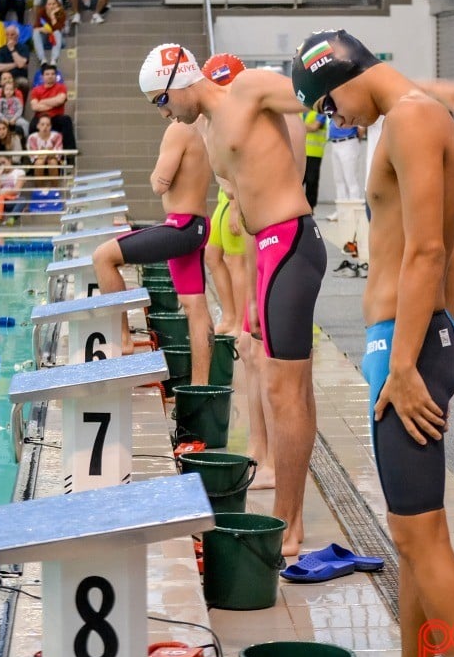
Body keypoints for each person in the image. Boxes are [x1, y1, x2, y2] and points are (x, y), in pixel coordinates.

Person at [292, 29, 454, 657]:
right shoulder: (420, 113)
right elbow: (449, 251)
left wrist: (406, 361)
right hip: (423, 338)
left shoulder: (406, 119)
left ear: (344, 75)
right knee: (414, 534)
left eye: (326, 104)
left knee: (424, 543)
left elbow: (429, 251)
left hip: (404, 347)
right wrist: (438, 340)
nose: (332, 118)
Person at [140, 42, 327, 556]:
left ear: (179, 79)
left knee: (286, 390)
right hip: (270, 250)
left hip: (288, 242)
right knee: (287, 387)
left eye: (161, 100)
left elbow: (307, 100)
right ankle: (290, 515)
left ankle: (288, 524)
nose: (164, 112)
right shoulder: (212, 131)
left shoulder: (247, 90)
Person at [94, 47, 214, 380]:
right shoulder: (205, 126)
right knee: (196, 307)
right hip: (197, 225)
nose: (162, 112)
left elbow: (159, 184)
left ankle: (123, 340)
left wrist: (157, 173)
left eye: (160, 101)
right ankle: (200, 384)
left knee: (104, 257)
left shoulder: (179, 129)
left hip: (181, 226)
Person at [201, 53, 247, 337]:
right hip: (224, 196)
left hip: (235, 198)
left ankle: (240, 321)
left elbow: (243, 166)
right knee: (213, 255)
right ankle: (230, 314)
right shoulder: (222, 115)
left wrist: (235, 205)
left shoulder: (238, 117)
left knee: (235, 260)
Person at [29, 63, 76, 152]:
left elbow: (60, 101)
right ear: (43, 76)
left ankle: (69, 153)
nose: (50, 76)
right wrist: (53, 103)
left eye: (53, 74)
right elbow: (35, 107)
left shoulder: (61, 87)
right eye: (47, 74)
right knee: (32, 125)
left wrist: (42, 101)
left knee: (67, 121)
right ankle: (31, 156)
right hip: (40, 117)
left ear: (55, 76)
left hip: (56, 117)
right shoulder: (36, 90)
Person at [326, 116, 365, 221]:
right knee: (339, 180)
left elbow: (361, 129)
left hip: (349, 142)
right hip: (335, 143)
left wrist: (356, 140)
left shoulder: (352, 105)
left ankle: (354, 212)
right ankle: (341, 211)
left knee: (351, 180)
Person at [0, 118, 23, 193]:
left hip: (12, 163)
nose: (2, 131)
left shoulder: (15, 138)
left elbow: (18, 156)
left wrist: (7, 161)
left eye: (4, 128)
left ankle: (11, 193)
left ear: (7, 129)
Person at [301, 109, 327, 213]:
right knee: (298, 181)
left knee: (311, 181)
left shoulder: (319, 111)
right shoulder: (298, 112)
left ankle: (310, 208)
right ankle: (297, 208)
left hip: (314, 152)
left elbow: (315, 126)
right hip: (299, 151)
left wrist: (297, 126)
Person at [26, 113, 63, 185]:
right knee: (39, 163)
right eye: (42, 124)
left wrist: (43, 152)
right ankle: (40, 191)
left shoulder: (57, 136)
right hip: (38, 161)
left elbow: (58, 154)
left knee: (53, 162)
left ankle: (55, 190)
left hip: (53, 160)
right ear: (38, 126)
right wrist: (48, 152)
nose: (45, 127)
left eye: (48, 125)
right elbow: (33, 156)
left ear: (51, 126)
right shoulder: (32, 137)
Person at [32, 0, 66, 65]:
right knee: (36, 32)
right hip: (45, 38)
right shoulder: (41, 12)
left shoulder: (61, 13)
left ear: (57, 5)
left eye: (54, 4)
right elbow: (35, 27)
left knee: (56, 32)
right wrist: (41, 29)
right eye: (49, 4)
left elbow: (58, 28)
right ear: (46, 6)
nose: (52, 6)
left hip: (58, 40)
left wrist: (53, 16)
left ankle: (54, 59)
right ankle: (42, 59)